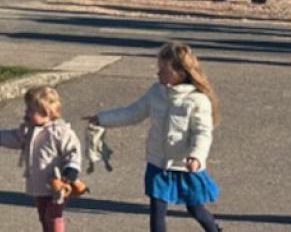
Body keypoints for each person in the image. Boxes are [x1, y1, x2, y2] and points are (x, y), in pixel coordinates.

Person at [87, 42, 220, 232]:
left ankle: (214, 229)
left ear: (181, 73)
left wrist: (196, 156)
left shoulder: (197, 101)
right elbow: (133, 112)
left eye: (164, 70)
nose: (158, 74)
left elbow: (203, 133)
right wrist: (102, 119)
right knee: (157, 211)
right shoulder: (156, 92)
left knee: (195, 208)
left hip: (185, 164)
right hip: (158, 163)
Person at [0, 86, 82, 232]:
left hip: (59, 184)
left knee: (53, 215)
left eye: (30, 110)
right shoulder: (28, 129)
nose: (26, 113)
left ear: (45, 112)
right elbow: (14, 137)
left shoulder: (61, 132)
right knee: (42, 215)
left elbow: (73, 151)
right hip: (38, 183)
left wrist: (71, 169)